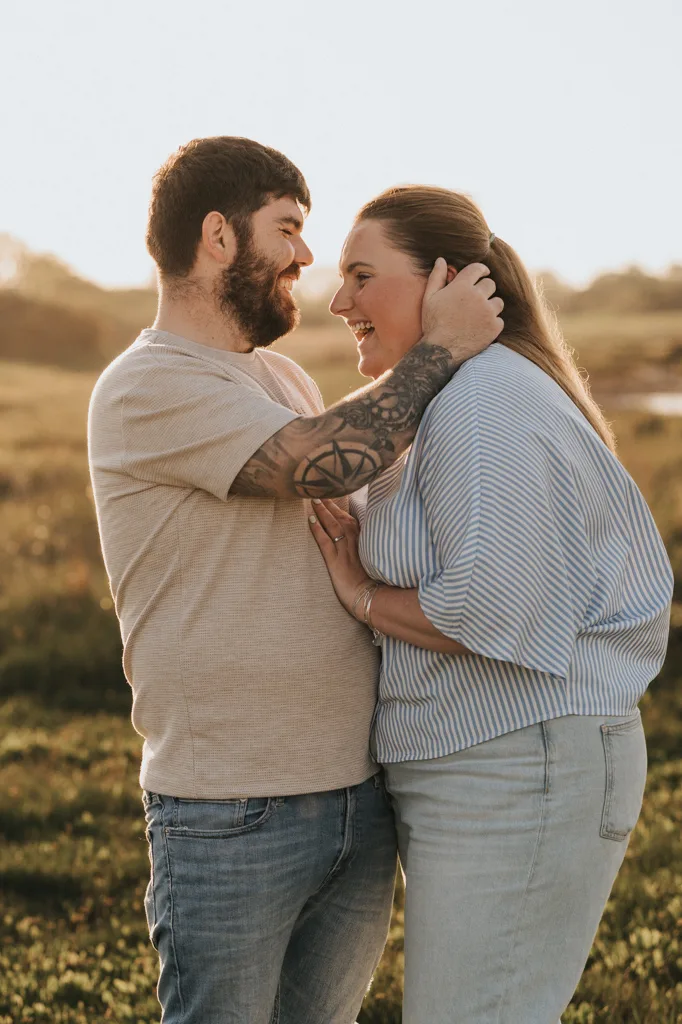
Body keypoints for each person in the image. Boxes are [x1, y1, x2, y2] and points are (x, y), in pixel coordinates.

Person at [86, 140, 503, 1023]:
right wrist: (440, 347)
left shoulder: (282, 374)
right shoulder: (145, 386)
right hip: (231, 811)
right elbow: (321, 461)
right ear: (217, 236)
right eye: (288, 229)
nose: (306, 259)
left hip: (355, 799)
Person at [310, 184, 673, 1024]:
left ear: (444, 280)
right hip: (486, 766)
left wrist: (360, 594)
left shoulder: (486, 401)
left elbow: (492, 609)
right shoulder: (443, 399)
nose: (338, 301)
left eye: (362, 275)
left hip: (519, 767)